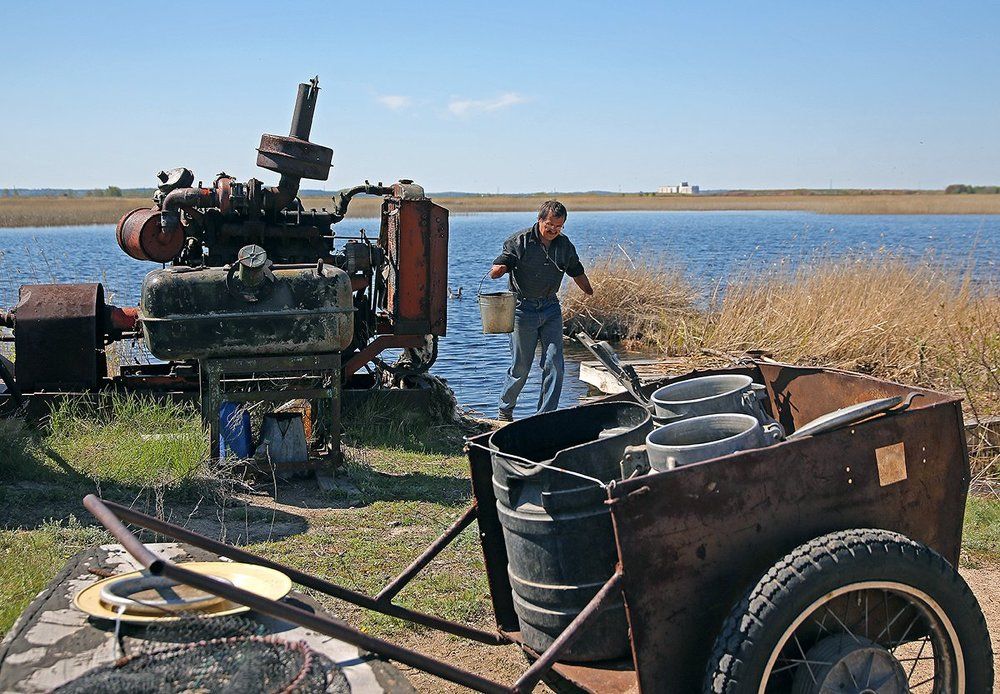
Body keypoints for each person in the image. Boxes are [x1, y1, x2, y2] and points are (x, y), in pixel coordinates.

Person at [490, 200, 594, 421]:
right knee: (521, 367)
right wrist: (498, 270)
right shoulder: (519, 241)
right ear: (539, 220)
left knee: (555, 363)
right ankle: (505, 410)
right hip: (522, 310)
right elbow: (503, 262)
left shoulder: (564, 246)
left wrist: (588, 289)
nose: (553, 230)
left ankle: (545, 416)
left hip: (550, 309)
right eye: (549, 225)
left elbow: (576, 271)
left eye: (559, 226)